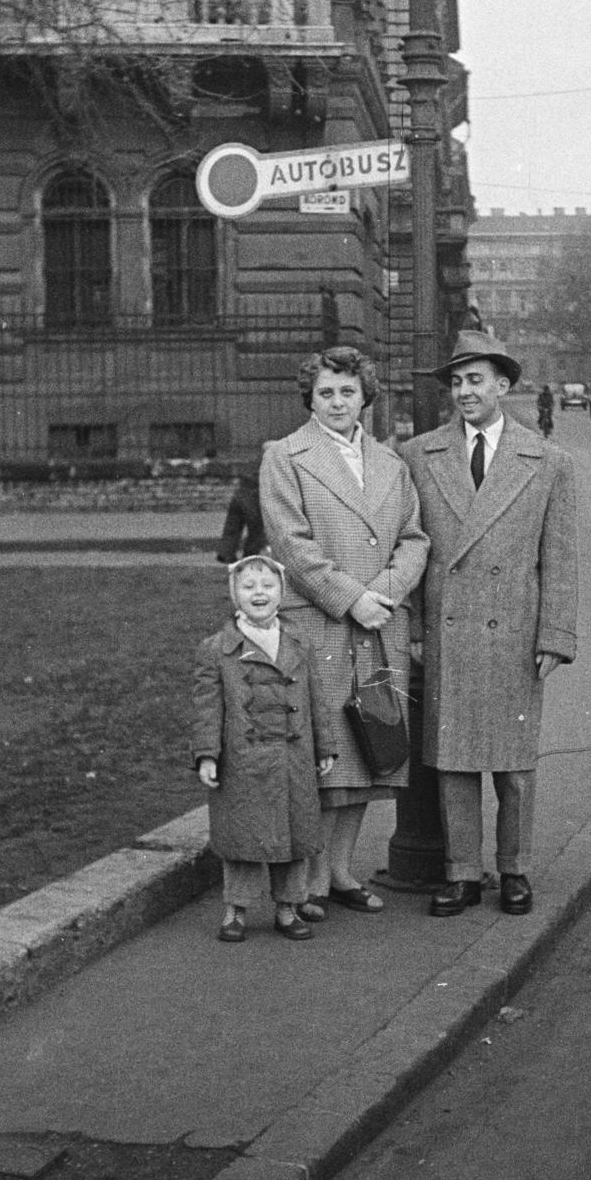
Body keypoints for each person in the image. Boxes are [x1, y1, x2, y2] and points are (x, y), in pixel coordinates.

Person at [402, 330, 578, 918]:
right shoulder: (420, 454)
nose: (463, 391)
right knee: (453, 761)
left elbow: (558, 557)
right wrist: (417, 629)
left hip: (515, 629)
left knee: (513, 765)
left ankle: (515, 869)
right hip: (448, 629)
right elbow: (412, 548)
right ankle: (461, 873)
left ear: (503, 385)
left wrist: (555, 634)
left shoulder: (548, 461)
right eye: (455, 382)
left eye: (475, 380)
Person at [259, 346, 429, 917]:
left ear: (365, 397)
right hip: (322, 624)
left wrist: (386, 592)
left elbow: (415, 539)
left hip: (380, 622)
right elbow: (290, 545)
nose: (337, 402)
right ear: (309, 397)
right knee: (323, 758)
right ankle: (305, 881)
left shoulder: (390, 462)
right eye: (326, 392)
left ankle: (339, 872)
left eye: (347, 392)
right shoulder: (285, 457)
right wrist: (353, 598)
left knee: (370, 753)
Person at [192, 554, 337, 944]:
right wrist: (208, 753)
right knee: (242, 834)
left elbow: (316, 699)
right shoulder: (217, 649)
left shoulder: (299, 643)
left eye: (268, 586)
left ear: (282, 593)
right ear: (234, 595)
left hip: (293, 758)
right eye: (248, 587)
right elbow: (207, 708)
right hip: (243, 759)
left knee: (292, 833)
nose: (259, 594)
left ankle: (287, 907)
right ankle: (235, 909)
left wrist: (325, 746)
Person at [215, 471, 266, 564]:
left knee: (233, 525)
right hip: (255, 494)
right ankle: (250, 557)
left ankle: (226, 552)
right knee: (257, 529)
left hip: (242, 492)